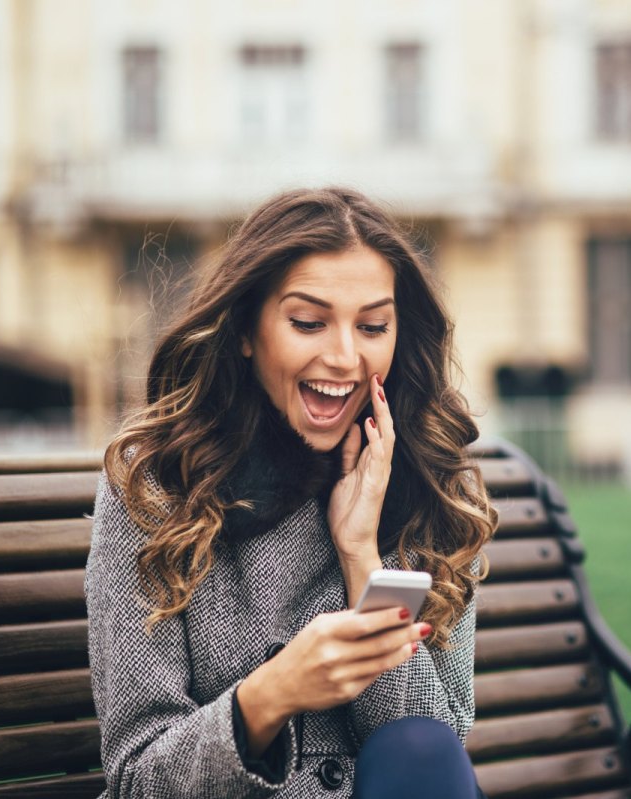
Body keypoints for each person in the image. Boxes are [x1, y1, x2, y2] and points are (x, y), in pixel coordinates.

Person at [85, 187, 497, 798]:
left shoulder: (424, 483)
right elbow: (136, 779)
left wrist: (361, 555)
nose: (344, 356)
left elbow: (433, 757)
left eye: (373, 326)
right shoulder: (157, 488)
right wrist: (271, 694)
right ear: (248, 330)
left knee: (419, 745)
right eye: (308, 322)